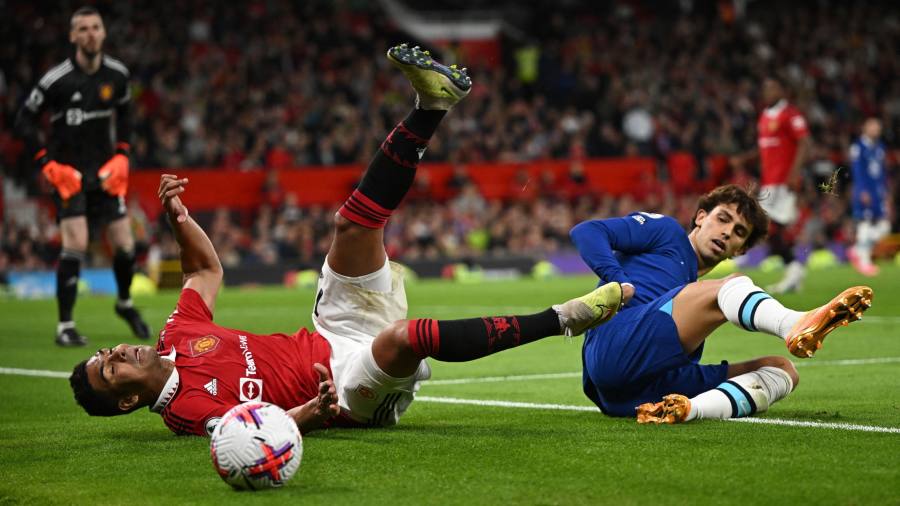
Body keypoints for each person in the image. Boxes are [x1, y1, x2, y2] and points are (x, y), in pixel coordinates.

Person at [66, 45, 625, 435]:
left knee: (352, 226)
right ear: (129, 400)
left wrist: (179, 220)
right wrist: (313, 412)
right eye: (111, 369)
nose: (117, 353)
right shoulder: (185, 411)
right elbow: (252, 430)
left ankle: (432, 106)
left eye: (106, 352)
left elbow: (203, 272)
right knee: (405, 338)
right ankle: (565, 318)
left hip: (332, 331)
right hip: (346, 392)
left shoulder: (177, 333)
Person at [569, 185, 873, 424]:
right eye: (723, 219)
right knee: (730, 286)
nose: (727, 232)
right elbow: (587, 231)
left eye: (739, 232)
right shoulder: (667, 234)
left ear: (739, 250)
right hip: (616, 345)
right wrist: (618, 282)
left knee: (782, 370)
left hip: (636, 393)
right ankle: (792, 323)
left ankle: (687, 410)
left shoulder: (694, 292)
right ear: (701, 217)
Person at [14, 6, 150, 346]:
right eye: (83, 29)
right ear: (73, 36)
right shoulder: (56, 80)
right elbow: (23, 120)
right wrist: (47, 163)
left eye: (95, 27)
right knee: (75, 242)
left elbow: (127, 116)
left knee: (125, 245)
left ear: (104, 33)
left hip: (105, 173)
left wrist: (122, 155)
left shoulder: (117, 75)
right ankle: (65, 326)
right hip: (69, 174)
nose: (91, 34)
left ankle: (124, 303)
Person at [730, 76, 812, 294]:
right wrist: (744, 159)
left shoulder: (790, 114)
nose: (768, 92)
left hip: (784, 181)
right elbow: (763, 148)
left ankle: (790, 268)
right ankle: (794, 271)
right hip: (769, 181)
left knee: (768, 225)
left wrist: (794, 174)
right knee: (772, 228)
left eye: (773, 88)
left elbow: (805, 143)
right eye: (765, 89)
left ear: (782, 91)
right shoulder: (765, 116)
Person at [847, 118, 890, 277]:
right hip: (865, 192)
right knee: (864, 223)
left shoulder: (880, 147)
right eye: (873, 126)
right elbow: (857, 171)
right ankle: (865, 262)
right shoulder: (858, 147)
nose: (876, 129)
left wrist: (885, 192)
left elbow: (883, 172)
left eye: (878, 127)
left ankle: (856, 249)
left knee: (885, 227)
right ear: (864, 128)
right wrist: (862, 191)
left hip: (878, 192)